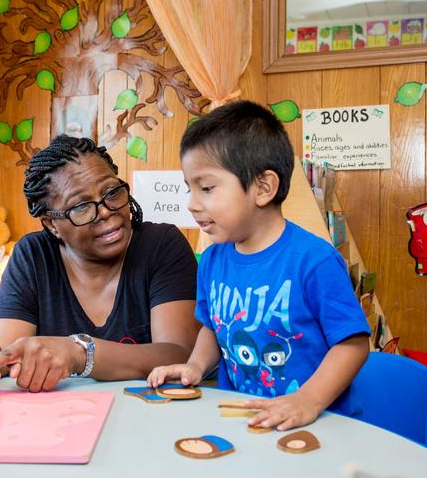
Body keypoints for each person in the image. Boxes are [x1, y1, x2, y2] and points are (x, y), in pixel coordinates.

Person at [147, 100, 370, 432]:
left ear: (264, 187)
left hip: (316, 425)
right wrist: (195, 365)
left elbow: (353, 344)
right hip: (244, 421)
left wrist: (307, 400)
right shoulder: (211, 260)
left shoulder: (314, 260)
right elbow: (212, 327)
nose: (192, 204)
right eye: (189, 189)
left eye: (206, 188)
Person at [0, 135, 200, 392]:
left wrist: (79, 353)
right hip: (65, 423)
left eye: (112, 192)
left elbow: (180, 354)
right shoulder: (34, 256)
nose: (106, 211)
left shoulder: (161, 245)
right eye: (81, 207)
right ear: (51, 224)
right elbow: (6, 355)